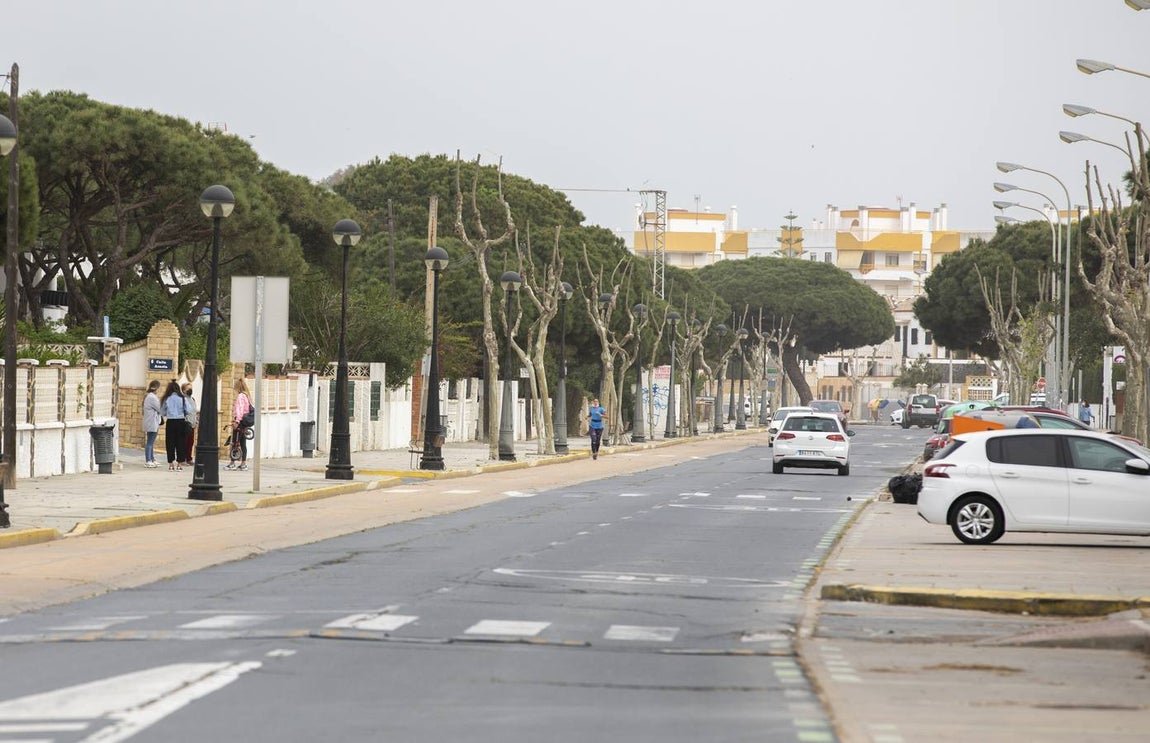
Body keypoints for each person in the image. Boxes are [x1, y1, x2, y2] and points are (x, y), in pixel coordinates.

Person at [160, 380, 188, 471]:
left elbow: (162, 412)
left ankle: (171, 464)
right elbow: (188, 410)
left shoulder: (166, 399)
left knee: (170, 443)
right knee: (181, 442)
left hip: (171, 422)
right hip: (181, 421)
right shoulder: (183, 398)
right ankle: (180, 464)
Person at [228, 378, 253, 470]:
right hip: (245, 422)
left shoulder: (240, 396)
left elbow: (239, 410)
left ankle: (232, 463)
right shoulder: (247, 395)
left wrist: (236, 421)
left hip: (240, 422)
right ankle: (243, 463)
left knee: (235, 442)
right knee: (243, 443)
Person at [142, 380, 162, 468]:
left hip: (151, 422)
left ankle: (152, 459)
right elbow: (159, 408)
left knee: (151, 441)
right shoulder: (152, 397)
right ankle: (148, 460)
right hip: (152, 422)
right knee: (150, 442)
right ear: (156, 388)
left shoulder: (149, 396)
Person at [181, 383, 198, 466]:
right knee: (184, 442)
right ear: (183, 390)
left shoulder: (193, 399)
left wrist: (196, 422)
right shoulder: (183, 399)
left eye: (191, 388)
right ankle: (182, 458)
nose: (190, 390)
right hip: (185, 423)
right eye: (188, 388)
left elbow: (195, 412)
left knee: (190, 442)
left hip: (192, 424)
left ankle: (189, 458)